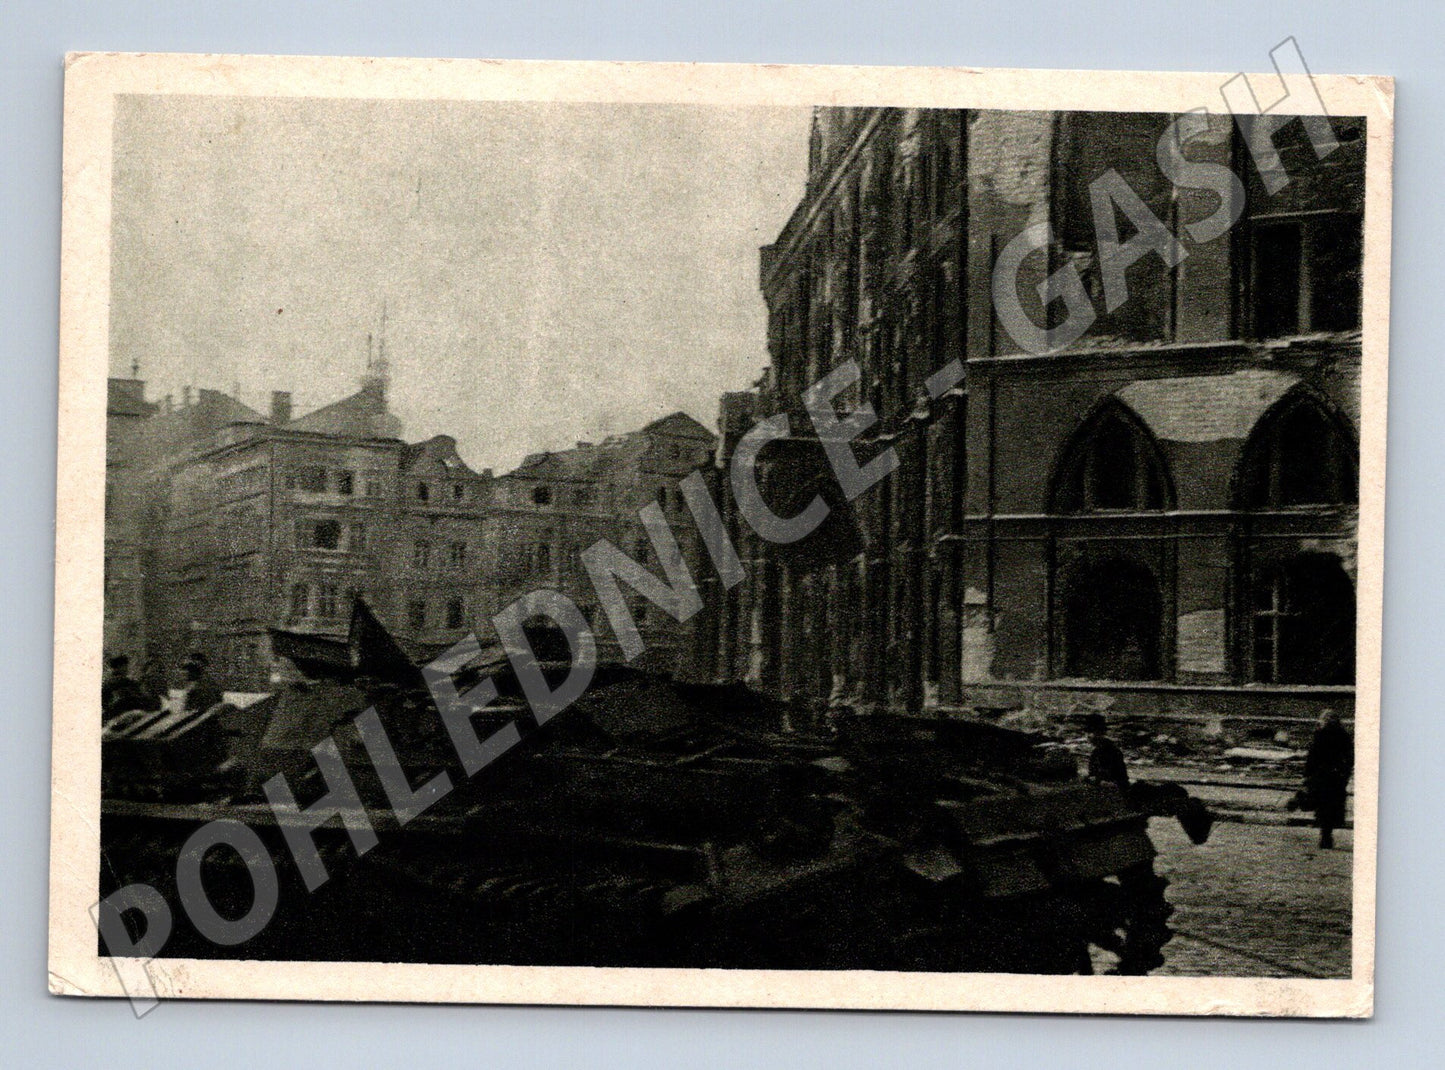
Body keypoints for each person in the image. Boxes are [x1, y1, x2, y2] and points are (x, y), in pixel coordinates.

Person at [1305, 709, 1353, 849]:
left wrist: (1308, 774)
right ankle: (1327, 834)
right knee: (1332, 806)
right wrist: (1345, 773)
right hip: (1336, 777)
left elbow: (1312, 756)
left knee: (1323, 805)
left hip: (1323, 776)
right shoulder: (1343, 735)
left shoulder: (1320, 734)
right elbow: (1350, 757)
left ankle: (1325, 834)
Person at [1084, 712, 1130, 792]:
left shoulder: (1112, 751)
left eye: (1092, 732)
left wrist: (1098, 781)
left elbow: (1121, 781)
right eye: (1087, 732)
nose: (1088, 736)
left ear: (1101, 733)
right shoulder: (1096, 752)